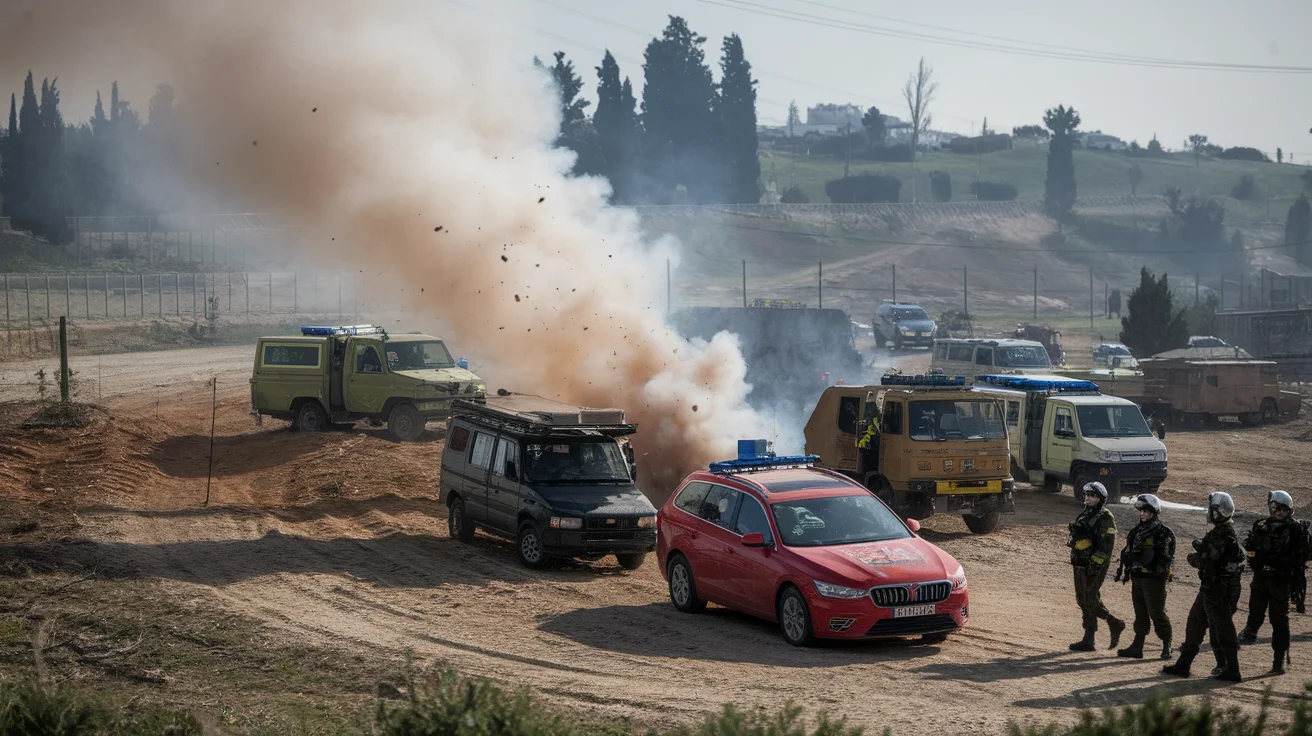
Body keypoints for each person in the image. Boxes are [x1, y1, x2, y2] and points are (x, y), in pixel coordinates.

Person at [1163, 491, 1245, 682]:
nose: (1210, 513)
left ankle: (1232, 669)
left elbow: (1215, 561)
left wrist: (1198, 559)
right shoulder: (1221, 533)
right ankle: (1184, 664)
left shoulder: (1224, 535)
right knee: (1195, 622)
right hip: (1210, 588)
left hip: (1218, 589)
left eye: (1212, 510)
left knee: (1222, 628)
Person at [1238, 490, 1307, 675]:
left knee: (1278, 620)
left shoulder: (1296, 529)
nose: (1279, 512)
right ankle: (1248, 635)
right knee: (1255, 611)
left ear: (1289, 510)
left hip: (1281, 580)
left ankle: (1278, 662)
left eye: (1283, 509)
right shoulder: (1261, 526)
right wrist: (1256, 559)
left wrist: (1281, 563)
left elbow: (1302, 556)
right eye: (1276, 508)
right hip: (1261, 578)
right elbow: (1250, 548)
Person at [1115, 494, 1175, 660]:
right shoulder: (1136, 531)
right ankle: (1138, 645)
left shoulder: (1163, 533)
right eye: (1140, 510)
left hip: (1154, 580)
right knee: (1140, 613)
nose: (1142, 514)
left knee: (1156, 613)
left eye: (1146, 511)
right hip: (1137, 578)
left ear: (1154, 512)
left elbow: (1166, 558)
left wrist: (1151, 565)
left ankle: (1167, 644)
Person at [1068, 481, 1125, 651]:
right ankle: (1089, 639)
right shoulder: (1086, 513)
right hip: (1080, 562)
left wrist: (1094, 564)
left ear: (1100, 499)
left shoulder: (1105, 517)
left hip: (1094, 565)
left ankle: (1114, 622)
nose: (1088, 498)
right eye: (1087, 495)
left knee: (1090, 599)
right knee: (1082, 600)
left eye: (1092, 496)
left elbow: (1106, 546)